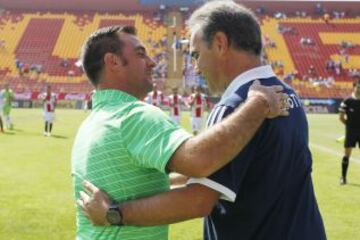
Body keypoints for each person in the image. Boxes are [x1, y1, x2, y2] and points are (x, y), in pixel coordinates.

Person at [78, 2, 326, 240]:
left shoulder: (238, 107)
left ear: (219, 44)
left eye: (196, 55)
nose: (196, 68)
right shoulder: (286, 93)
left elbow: (198, 198)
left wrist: (115, 212)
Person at [339, 77, 360, 185]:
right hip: (351, 132)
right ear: (354, 87)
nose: (359, 89)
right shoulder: (347, 101)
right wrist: (349, 125)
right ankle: (343, 177)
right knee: (347, 155)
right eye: (358, 87)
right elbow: (341, 117)